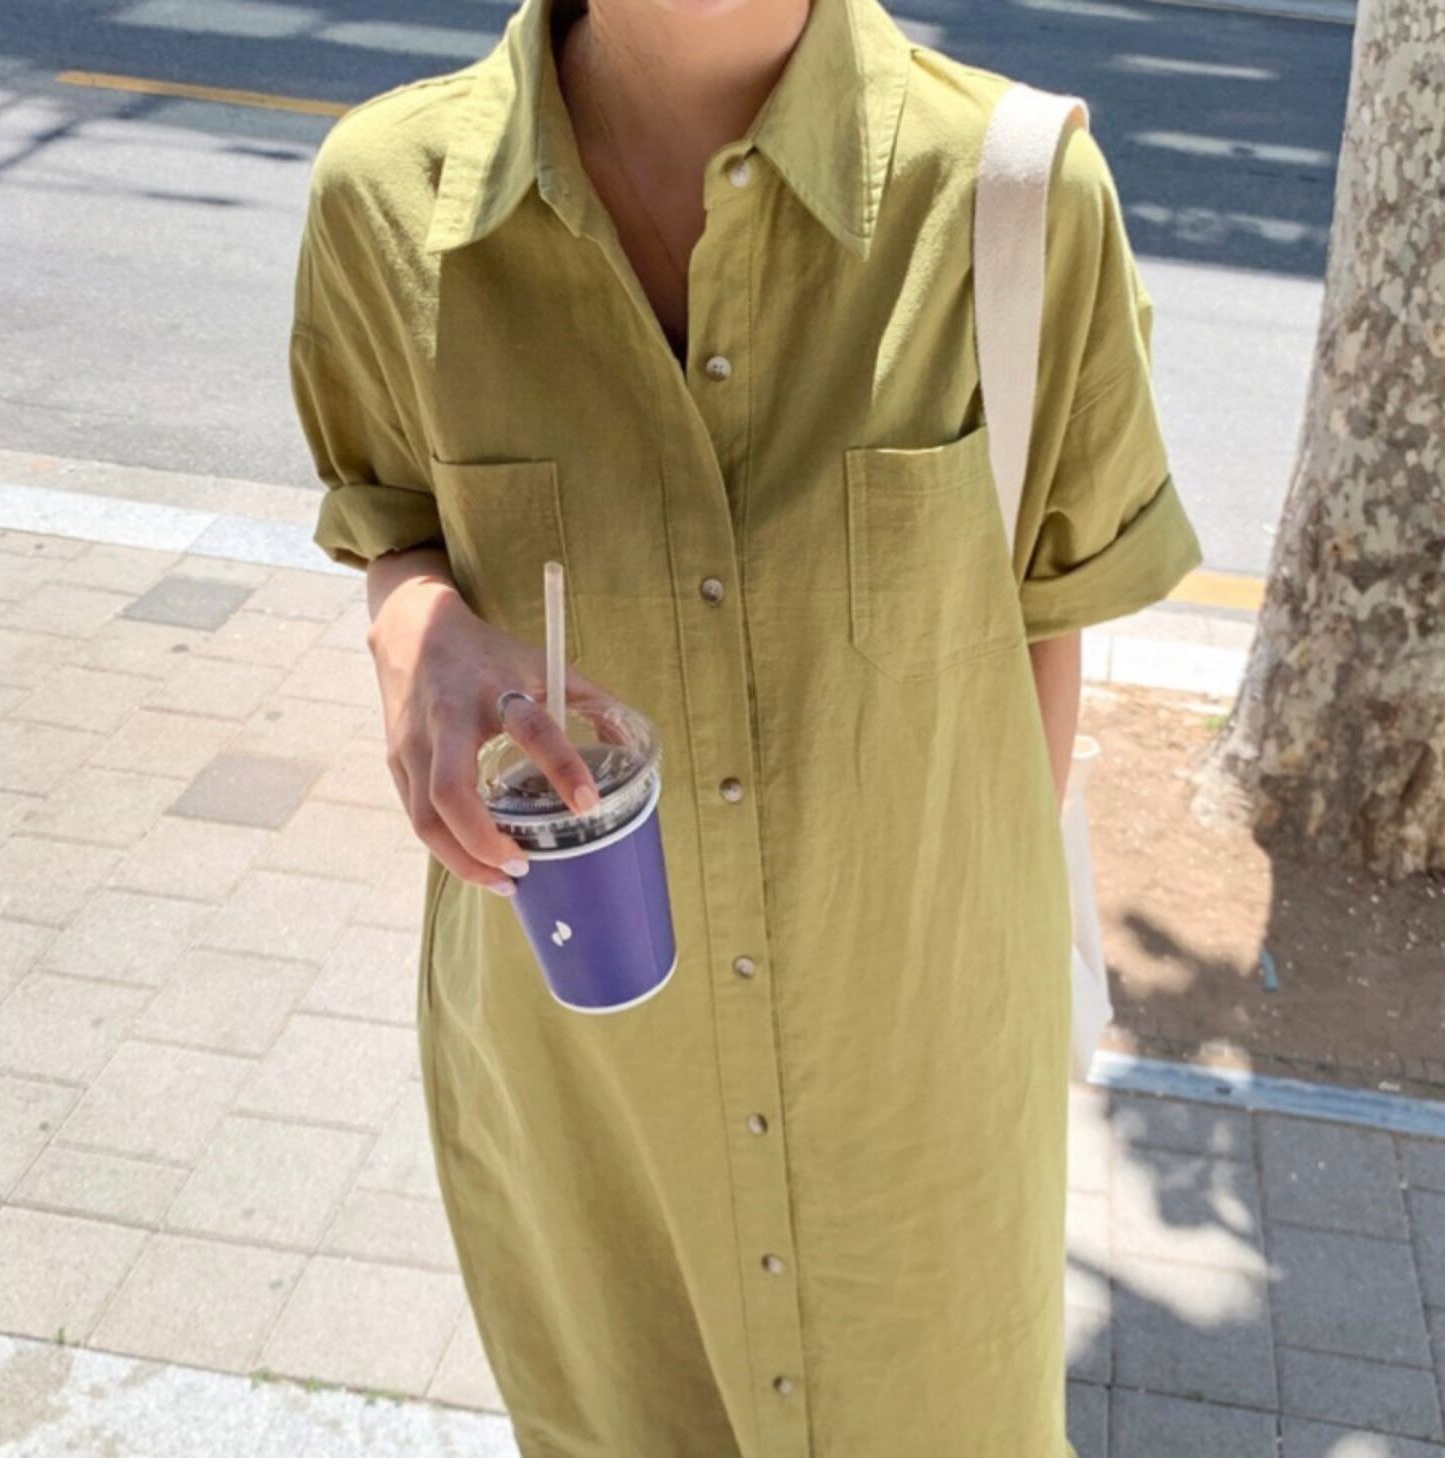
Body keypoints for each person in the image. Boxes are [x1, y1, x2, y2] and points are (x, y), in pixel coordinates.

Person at [287, 0, 1204, 1450]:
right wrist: (409, 622)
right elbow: (391, 517)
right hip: (586, 1088)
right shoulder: (388, 201)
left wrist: (965, 1006)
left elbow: (1037, 638)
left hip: (915, 1110)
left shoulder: (1016, 199)